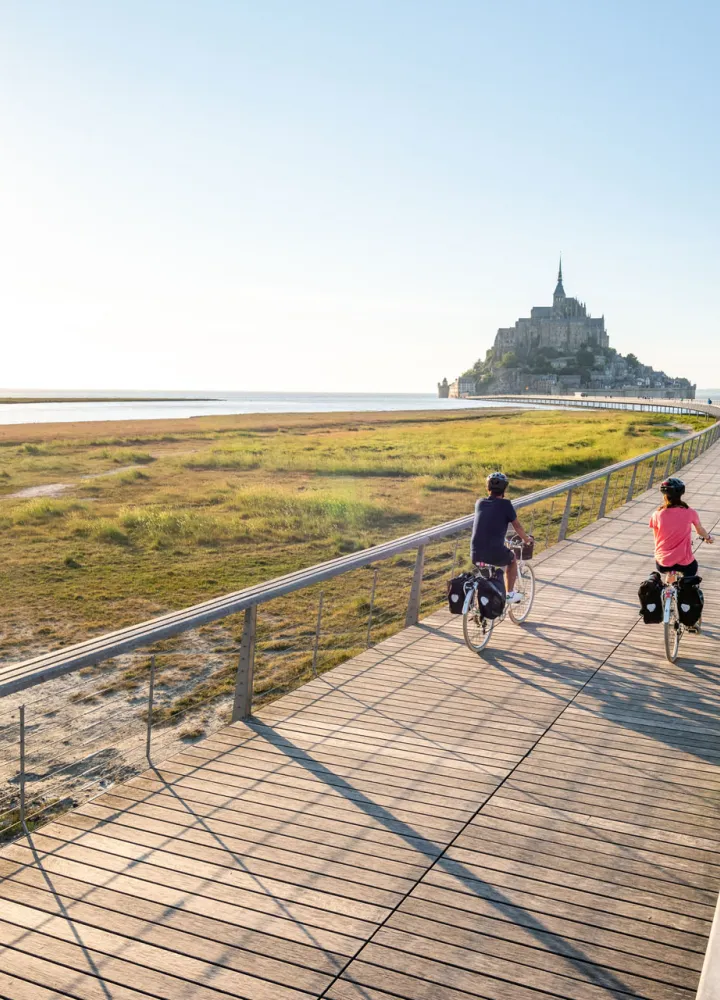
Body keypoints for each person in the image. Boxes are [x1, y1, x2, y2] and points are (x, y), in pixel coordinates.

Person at [471, 472, 532, 603]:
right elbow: (517, 526)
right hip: (494, 551)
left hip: (475, 552)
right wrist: (527, 540)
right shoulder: (506, 505)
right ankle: (509, 594)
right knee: (512, 559)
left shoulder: (480, 503)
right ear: (504, 489)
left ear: (488, 488)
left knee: (488, 575)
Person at [649, 477, 713, 579]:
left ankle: (669, 583)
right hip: (684, 562)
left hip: (662, 562)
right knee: (693, 569)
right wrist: (708, 537)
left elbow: (656, 538)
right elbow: (700, 530)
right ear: (681, 493)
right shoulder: (690, 512)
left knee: (668, 569)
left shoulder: (656, 514)